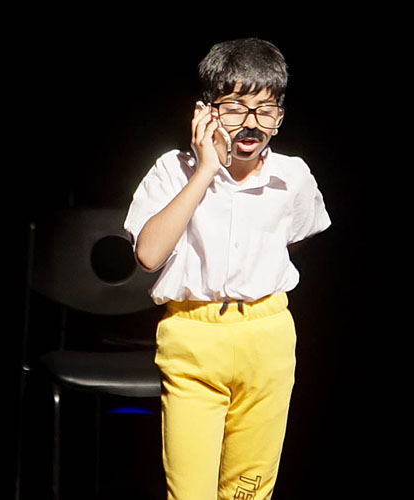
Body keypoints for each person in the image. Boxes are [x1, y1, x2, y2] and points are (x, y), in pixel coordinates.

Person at [124, 38, 331, 500]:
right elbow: (149, 255)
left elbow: (296, 235)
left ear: (280, 116)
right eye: (235, 108)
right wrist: (204, 170)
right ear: (206, 111)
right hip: (193, 339)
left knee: (249, 492)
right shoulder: (173, 170)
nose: (251, 122)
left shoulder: (293, 176)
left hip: (267, 337)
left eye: (265, 110)